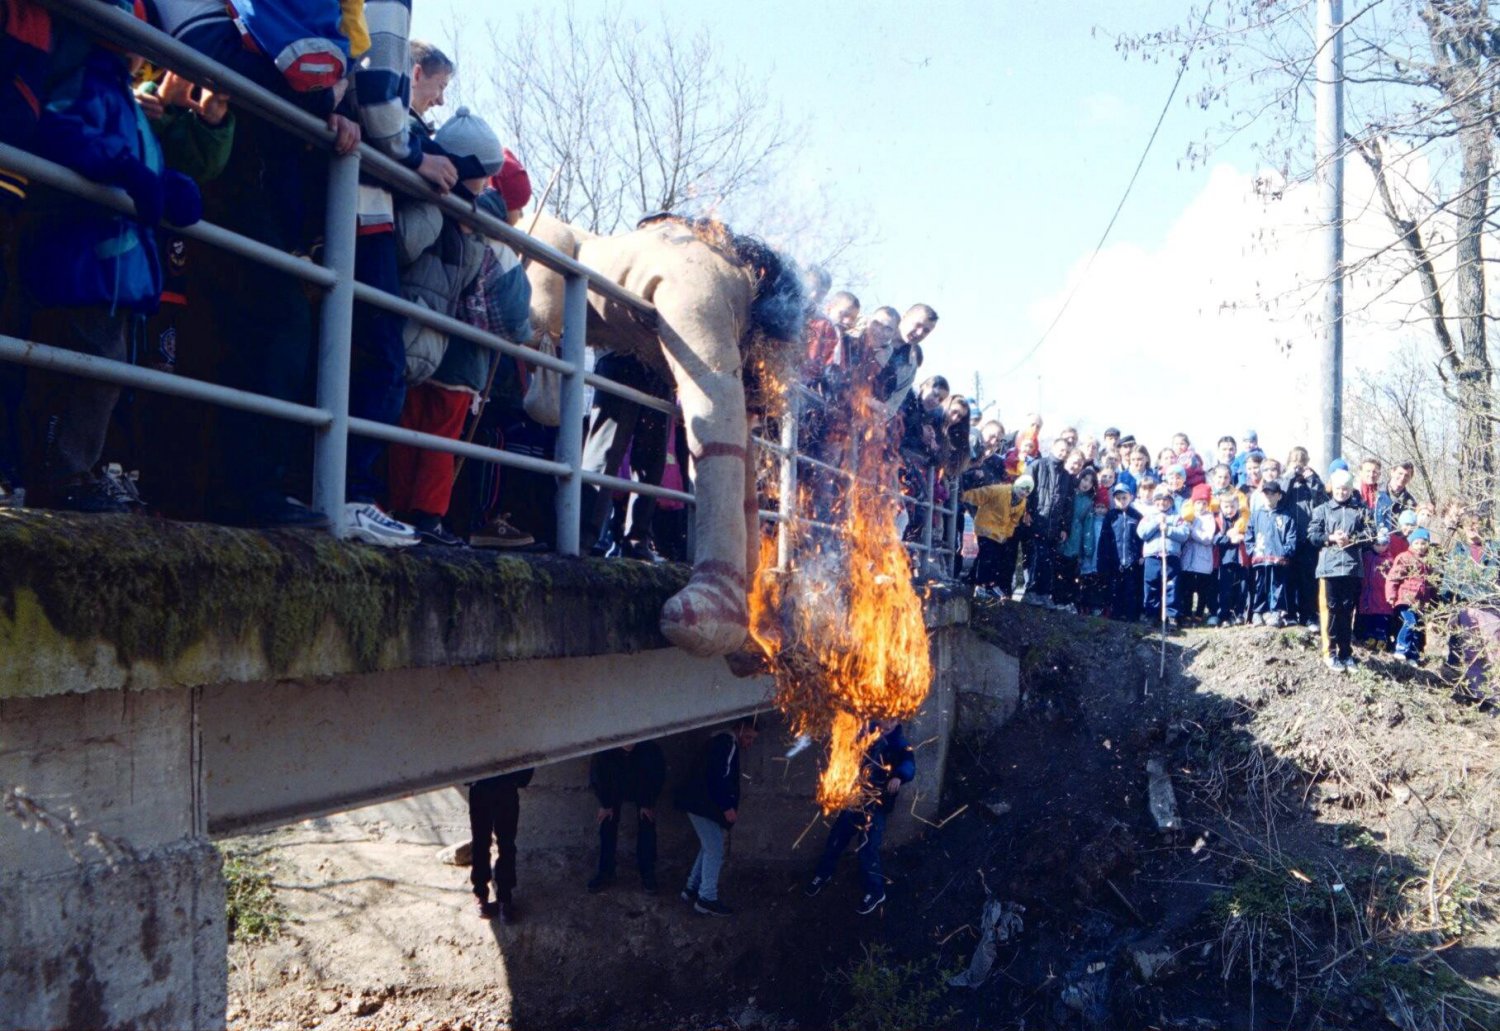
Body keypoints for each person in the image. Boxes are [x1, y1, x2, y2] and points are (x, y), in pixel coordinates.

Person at [19, 13, 202, 512]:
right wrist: (126, 171)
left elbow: (139, 161)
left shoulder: (122, 94)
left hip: (118, 273)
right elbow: (59, 129)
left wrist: (169, 185)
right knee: (86, 371)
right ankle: (59, 475)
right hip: (84, 264)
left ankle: (79, 469)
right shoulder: (84, 74)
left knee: (106, 376)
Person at [384, 114, 511, 546]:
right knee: (435, 438)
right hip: (433, 344)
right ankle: (422, 516)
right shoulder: (454, 217)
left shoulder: (459, 218)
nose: (486, 187)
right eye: (484, 177)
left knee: (406, 430)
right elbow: (510, 309)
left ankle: (399, 509)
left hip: (419, 334)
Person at [804, 718, 915, 916]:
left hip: (877, 804)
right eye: (886, 718)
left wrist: (899, 776)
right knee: (837, 838)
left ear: (898, 721)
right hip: (856, 800)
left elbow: (909, 765)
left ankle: (875, 891)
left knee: (868, 848)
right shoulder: (866, 731)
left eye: (893, 719)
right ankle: (823, 874)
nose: (888, 723)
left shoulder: (900, 744)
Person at [674, 717, 757, 916]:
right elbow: (720, 777)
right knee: (715, 849)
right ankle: (707, 899)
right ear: (740, 729)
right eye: (748, 737)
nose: (749, 743)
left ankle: (691, 888)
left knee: (709, 845)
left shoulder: (717, 741)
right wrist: (727, 806)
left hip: (697, 802)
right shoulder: (727, 743)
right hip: (702, 804)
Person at [1309, 469, 1373, 671]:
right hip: (1329, 569)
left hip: (1353, 569)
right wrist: (1330, 538)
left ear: (1351, 489)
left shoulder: (1361, 510)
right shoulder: (1322, 510)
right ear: (1332, 488)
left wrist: (1352, 539)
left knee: (1347, 611)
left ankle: (1346, 654)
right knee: (1332, 611)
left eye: (1346, 488)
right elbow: (1312, 535)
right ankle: (1331, 653)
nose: (1342, 492)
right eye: (1338, 488)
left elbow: (1371, 533)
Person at [587, 739, 666, 894]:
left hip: (641, 788)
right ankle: (606, 872)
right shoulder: (606, 749)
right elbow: (598, 776)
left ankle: (647, 872)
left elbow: (657, 775)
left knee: (647, 823)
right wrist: (605, 804)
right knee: (607, 824)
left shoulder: (649, 748)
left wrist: (648, 803)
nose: (629, 744)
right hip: (613, 788)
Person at [468, 767, 534, 922]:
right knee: (481, 843)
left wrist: (519, 779)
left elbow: (526, 751)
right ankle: (481, 896)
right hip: (481, 789)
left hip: (505, 789)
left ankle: (505, 899)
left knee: (506, 846)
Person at [963, 474, 1033, 600]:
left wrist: (1007, 535)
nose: (1024, 492)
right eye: (1023, 488)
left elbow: (1014, 521)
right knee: (988, 556)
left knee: (995, 558)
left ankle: (979, 582)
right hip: (985, 527)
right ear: (1017, 485)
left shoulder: (1022, 503)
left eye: (1028, 491)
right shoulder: (999, 490)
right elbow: (981, 494)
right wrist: (963, 496)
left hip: (999, 533)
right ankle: (981, 585)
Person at [1026, 436, 1074, 606]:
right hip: (1036, 520)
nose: (1063, 453)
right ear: (1053, 448)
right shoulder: (1037, 466)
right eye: (1061, 449)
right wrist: (1026, 511)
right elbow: (1025, 490)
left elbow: (1068, 505)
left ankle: (1045, 593)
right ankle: (1031, 592)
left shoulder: (1067, 476)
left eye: (1067, 451)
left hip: (1054, 526)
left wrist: (1064, 527)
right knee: (1035, 558)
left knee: (1049, 560)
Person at [1283, 447, 1327, 627]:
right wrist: (1290, 476)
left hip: (1308, 537)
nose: (1298, 465)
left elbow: (1322, 501)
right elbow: (1280, 497)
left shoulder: (1313, 481)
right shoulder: (1286, 481)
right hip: (1289, 536)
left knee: (1308, 579)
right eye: (1295, 461)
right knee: (1289, 578)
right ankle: (1290, 613)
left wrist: (1311, 479)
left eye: (1302, 461)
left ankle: (1309, 615)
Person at [1246, 479, 1296, 626]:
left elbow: (1291, 539)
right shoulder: (1256, 515)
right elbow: (1249, 536)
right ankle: (1257, 613)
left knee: (1277, 586)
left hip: (1278, 560)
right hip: (1260, 559)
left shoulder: (1286, 516)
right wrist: (1252, 551)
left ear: (1279, 496)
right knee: (1259, 586)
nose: (1268, 496)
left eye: (1272, 494)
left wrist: (1284, 552)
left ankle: (1276, 613)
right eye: (1266, 493)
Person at [1138, 485, 1190, 627]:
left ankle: (1171, 615)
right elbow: (1142, 533)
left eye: (1166, 500)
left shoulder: (1177, 518)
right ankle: (1151, 614)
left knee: (1171, 586)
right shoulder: (1148, 517)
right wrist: (1156, 523)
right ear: (1154, 502)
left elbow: (1184, 534)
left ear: (1171, 502)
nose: (1162, 503)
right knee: (1151, 585)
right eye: (1159, 500)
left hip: (1170, 556)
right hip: (1152, 557)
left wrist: (1168, 529)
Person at [1385, 528, 1435, 665]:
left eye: (1424, 543)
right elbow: (1393, 577)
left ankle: (1413, 655)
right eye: (1417, 543)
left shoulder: (1428, 562)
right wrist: (1391, 594)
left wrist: (1432, 600)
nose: (1420, 546)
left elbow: (1431, 583)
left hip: (1421, 603)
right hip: (1405, 599)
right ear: (1411, 543)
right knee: (1410, 622)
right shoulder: (1404, 557)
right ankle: (1401, 649)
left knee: (1418, 628)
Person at [1098, 480, 1143, 621]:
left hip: (1132, 560)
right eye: (1118, 498)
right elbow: (1104, 539)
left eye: (1124, 497)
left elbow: (1141, 538)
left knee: (1131, 589)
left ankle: (1131, 616)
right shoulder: (1110, 516)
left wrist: (1140, 555)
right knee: (1115, 588)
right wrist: (1104, 558)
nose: (1122, 501)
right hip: (1115, 560)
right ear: (1114, 499)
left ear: (1131, 497)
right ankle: (1116, 614)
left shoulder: (1137, 516)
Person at [1211, 489, 1249, 625]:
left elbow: (1251, 536)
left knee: (1242, 588)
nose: (1229, 510)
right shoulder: (1219, 521)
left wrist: (1242, 538)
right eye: (1226, 506)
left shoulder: (1244, 520)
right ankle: (1225, 615)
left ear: (1238, 506)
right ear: (1221, 506)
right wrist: (1228, 537)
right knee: (1225, 588)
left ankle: (1240, 613)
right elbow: (1215, 540)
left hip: (1241, 559)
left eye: (1232, 506)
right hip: (1225, 559)